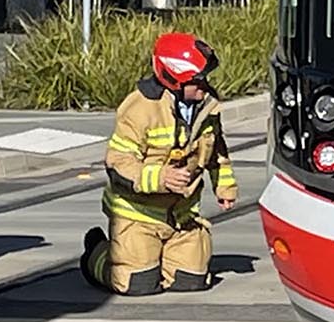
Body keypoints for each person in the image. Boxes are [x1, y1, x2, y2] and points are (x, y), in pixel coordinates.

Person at [80, 33, 238, 295]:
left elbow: (216, 150)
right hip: (137, 214)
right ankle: (96, 254)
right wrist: (161, 177)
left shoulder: (208, 108)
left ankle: (160, 256)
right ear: (173, 79)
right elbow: (118, 163)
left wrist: (225, 186)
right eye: (196, 80)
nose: (204, 86)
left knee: (191, 281)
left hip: (181, 215)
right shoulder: (139, 109)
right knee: (136, 284)